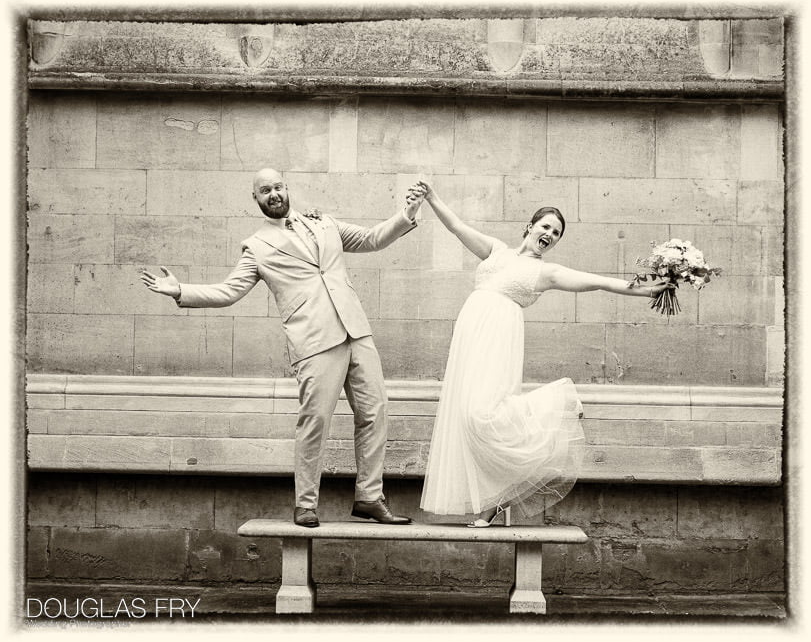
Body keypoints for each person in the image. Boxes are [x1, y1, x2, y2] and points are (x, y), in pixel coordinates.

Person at [140, 168, 420, 528]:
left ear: (287, 189)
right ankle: (305, 504)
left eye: (277, 187)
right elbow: (229, 292)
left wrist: (406, 213)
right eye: (264, 190)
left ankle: (369, 497)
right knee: (315, 421)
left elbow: (370, 239)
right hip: (314, 341)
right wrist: (181, 290)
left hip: (357, 331)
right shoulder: (256, 246)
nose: (273, 194)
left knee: (375, 412)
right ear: (255, 199)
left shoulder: (324, 223)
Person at [408, 181, 671, 527]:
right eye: (545, 226)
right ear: (529, 227)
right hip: (471, 337)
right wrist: (432, 197)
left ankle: (556, 403)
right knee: (466, 417)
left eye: (556, 233)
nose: (549, 234)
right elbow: (457, 226)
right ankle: (493, 503)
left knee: (482, 416)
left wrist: (648, 290)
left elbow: (599, 282)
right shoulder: (495, 251)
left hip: (499, 339)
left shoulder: (545, 272)